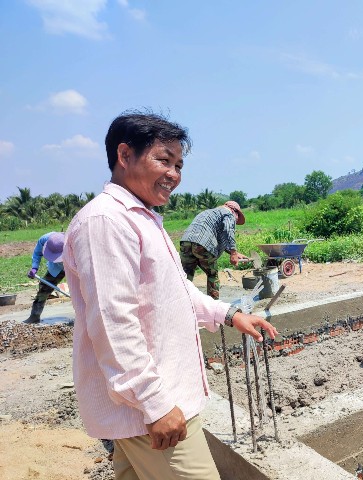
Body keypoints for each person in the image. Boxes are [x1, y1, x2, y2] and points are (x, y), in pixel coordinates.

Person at [62, 112, 278, 480]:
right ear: (125, 155)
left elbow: (175, 294)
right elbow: (114, 324)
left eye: (179, 165)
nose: (174, 174)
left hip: (147, 410)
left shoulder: (143, 217)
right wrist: (156, 405)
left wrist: (229, 314)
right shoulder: (107, 222)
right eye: (164, 160)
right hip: (152, 413)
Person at [179, 200, 249, 299]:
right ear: (235, 211)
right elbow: (229, 230)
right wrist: (233, 252)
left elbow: (221, 238)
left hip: (186, 242)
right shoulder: (229, 213)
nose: (236, 221)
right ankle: (213, 304)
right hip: (203, 244)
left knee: (186, 275)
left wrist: (234, 253)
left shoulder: (209, 213)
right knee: (212, 275)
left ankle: (182, 302)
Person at [25, 231, 65, 323]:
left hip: (74, 266)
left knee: (81, 291)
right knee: (44, 288)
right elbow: (37, 253)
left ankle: (84, 316)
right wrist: (34, 267)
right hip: (55, 268)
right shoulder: (44, 240)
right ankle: (35, 316)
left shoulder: (73, 241)